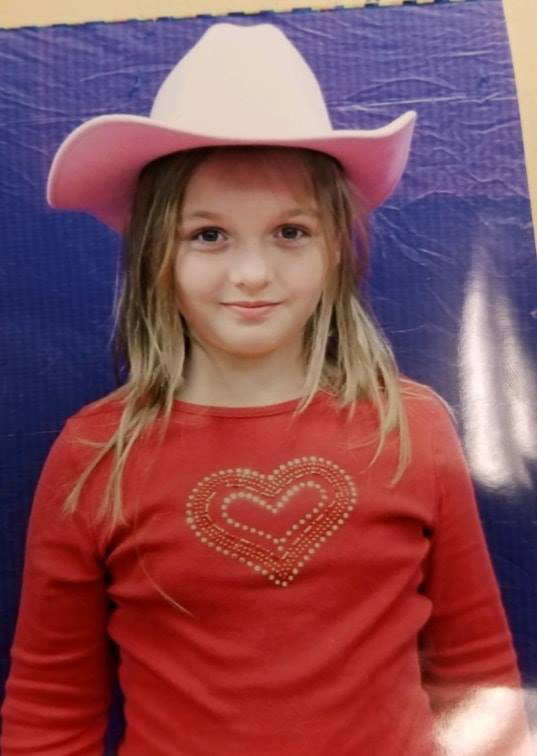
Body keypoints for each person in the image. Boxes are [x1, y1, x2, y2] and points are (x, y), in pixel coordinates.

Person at [1, 22, 532, 756]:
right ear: (155, 253)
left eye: (289, 232)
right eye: (208, 235)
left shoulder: (410, 425)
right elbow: (50, 708)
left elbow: (478, 678)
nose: (251, 274)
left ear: (336, 247)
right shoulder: (95, 454)